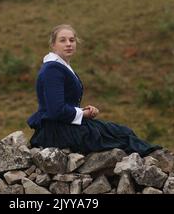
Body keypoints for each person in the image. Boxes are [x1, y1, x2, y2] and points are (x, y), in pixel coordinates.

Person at [27, 24, 162, 156]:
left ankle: (155, 158)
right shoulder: (53, 69)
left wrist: (83, 111)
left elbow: (62, 105)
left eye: (72, 40)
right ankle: (156, 159)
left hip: (65, 125)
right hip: (56, 131)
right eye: (63, 40)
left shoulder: (61, 66)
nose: (68, 44)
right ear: (53, 45)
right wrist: (83, 114)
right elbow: (56, 110)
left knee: (120, 132)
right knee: (120, 137)